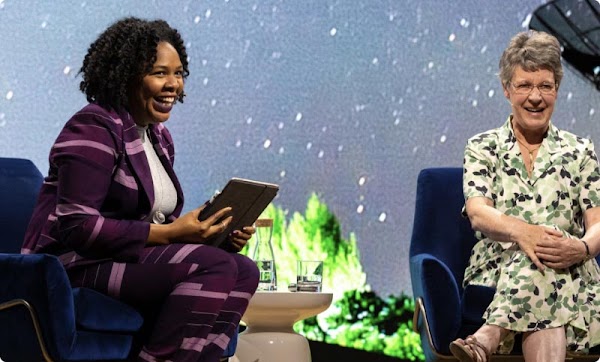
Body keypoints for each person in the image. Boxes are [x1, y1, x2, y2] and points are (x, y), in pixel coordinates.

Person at [22, 17, 260, 362]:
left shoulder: (158, 138)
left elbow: (156, 220)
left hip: (127, 258)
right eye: (159, 73)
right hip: (76, 264)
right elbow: (77, 225)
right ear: (126, 77)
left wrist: (208, 232)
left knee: (244, 269)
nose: (173, 85)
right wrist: (170, 234)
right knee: (212, 266)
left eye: (178, 74)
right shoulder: (94, 126)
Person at [450, 30, 600, 361]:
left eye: (545, 86)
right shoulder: (482, 147)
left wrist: (582, 247)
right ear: (507, 90)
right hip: (499, 269)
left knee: (547, 259)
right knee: (538, 257)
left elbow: (597, 222)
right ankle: (490, 334)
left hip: (572, 269)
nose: (536, 96)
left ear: (557, 89)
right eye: (524, 85)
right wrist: (527, 234)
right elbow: (478, 213)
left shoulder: (580, 151)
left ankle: (485, 338)